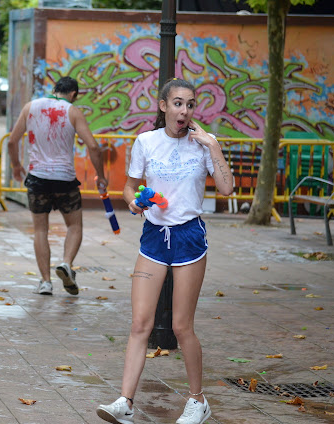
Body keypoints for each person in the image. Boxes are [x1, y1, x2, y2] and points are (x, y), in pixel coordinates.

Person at [96, 78, 233, 424]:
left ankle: (197, 401)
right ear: (163, 105)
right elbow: (129, 186)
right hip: (154, 237)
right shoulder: (145, 142)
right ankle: (125, 401)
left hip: (189, 238)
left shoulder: (202, 145)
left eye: (189, 104)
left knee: (181, 325)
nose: (184, 111)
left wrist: (213, 146)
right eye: (177, 103)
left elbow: (227, 189)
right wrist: (133, 203)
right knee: (140, 322)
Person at [7, 76, 107, 296]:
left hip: (37, 177)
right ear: (73, 94)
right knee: (74, 226)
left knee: (41, 229)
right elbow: (93, 146)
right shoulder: (72, 111)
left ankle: (45, 282)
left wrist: (16, 166)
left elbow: (12, 141)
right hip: (65, 179)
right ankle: (66, 264)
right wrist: (100, 175)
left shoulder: (30, 107)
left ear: (54, 89)